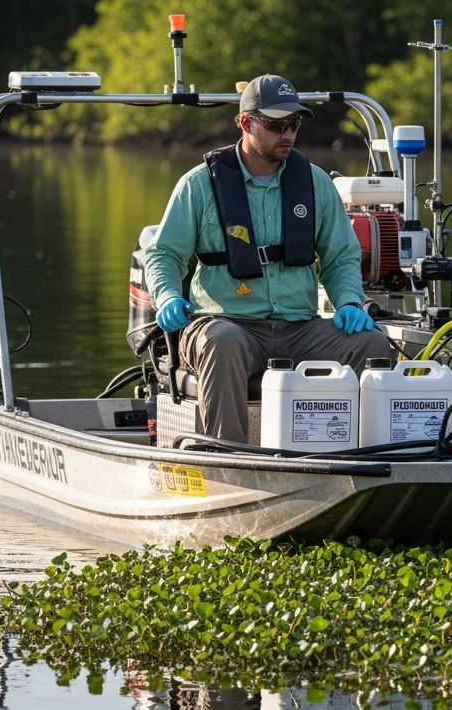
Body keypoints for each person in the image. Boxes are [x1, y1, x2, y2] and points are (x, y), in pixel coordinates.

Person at [144, 73, 398, 443]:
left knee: (372, 344)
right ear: (247, 123)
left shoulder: (315, 183)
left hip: (299, 328)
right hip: (225, 323)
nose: (288, 135)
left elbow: (342, 257)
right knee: (223, 341)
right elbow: (163, 254)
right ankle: (228, 460)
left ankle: (363, 457)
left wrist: (349, 301)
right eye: (277, 125)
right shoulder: (198, 185)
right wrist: (166, 296)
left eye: (294, 124)